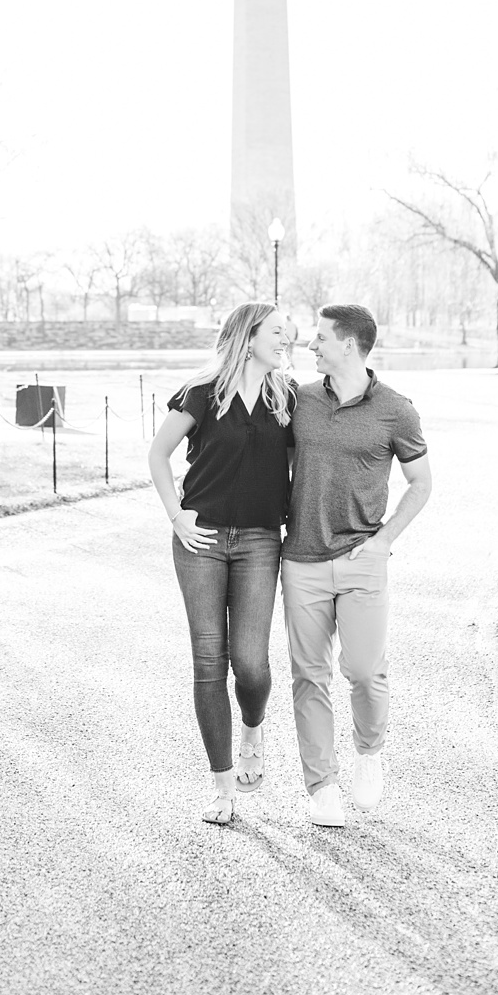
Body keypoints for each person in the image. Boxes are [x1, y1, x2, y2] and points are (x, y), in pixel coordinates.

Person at [147, 301, 296, 826]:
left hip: (260, 541)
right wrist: (176, 516)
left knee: (250, 665)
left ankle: (253, 728)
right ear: (248, 335)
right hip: (200, 540)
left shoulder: (289, 397)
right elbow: (158, 454)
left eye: (290, 334)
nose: (288, 341)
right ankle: (221, 785)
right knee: (209, 660)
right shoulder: (201, 394)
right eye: (278, 332)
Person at [285, 303, 433, 827]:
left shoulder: (396, 409)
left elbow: (422, 484)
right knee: (309, 676)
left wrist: (384, 541)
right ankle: (321, 786)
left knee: (366, 672)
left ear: (349, 344)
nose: (311, 346)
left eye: (320, 338)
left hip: (362, 560)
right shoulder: (297, 399)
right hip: (300, 560)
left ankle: (368, 755)